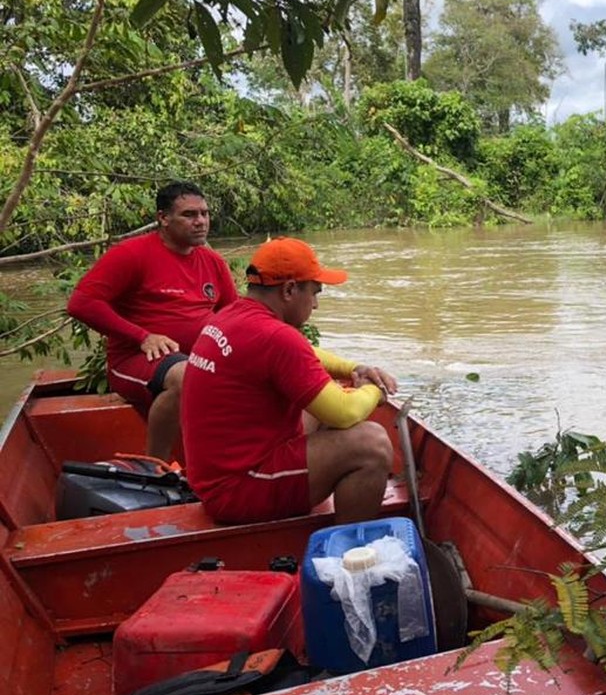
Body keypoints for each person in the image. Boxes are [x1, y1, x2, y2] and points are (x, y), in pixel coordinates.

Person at [180, 237, 399, 525]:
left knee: (323, 390)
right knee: (373, 444)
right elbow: (345, 413)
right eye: (315, 293)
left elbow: (304, 355)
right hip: (237, 491)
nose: (316, 305)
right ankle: (348, 553)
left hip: (217, 477)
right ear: (289, 289)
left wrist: (354, 368)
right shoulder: (275, 336)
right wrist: (373, 390)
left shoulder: (233, 315)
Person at [67, 182, 238, 462]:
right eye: (190, 215)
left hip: (198, 359)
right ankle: (154, 464)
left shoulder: (213, 262)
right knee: (188, 376)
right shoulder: (132, 254)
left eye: (205, 214)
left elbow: (234, 316)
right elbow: (81, 303)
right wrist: (142, 336)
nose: (201, 222)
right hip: (136, 359)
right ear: (163, 218)